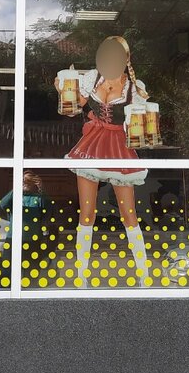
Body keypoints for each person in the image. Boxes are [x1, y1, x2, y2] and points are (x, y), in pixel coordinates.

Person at [53, 36, 150, 287]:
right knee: (86, 213)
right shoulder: (92, 78)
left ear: (126, 59)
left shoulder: (134, 87)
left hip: (119, 147)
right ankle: (81, 275)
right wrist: (62, 90)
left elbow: (139, 129)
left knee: (128, 213)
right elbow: (73, 109)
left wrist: (139, 125)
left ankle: (144, 274)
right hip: (92, 144)